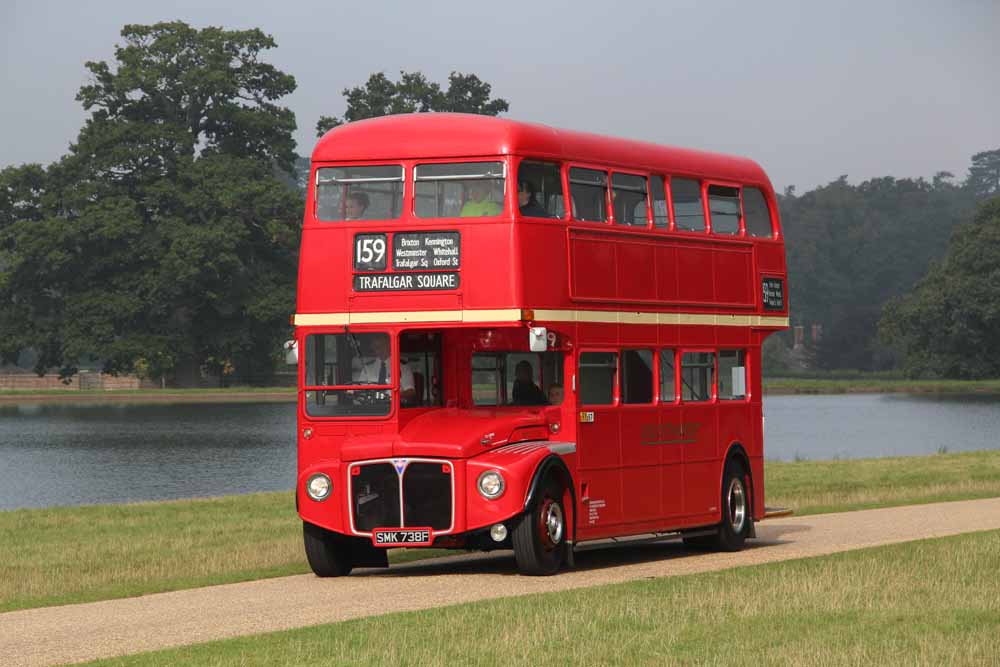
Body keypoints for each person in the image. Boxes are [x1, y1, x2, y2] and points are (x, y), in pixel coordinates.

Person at [353, 336, 416, 404]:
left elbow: (410, 391)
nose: (379, 349)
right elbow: (359, 390)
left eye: (382, 346)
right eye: (376, 347)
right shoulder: (367, 368)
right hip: (371, 407)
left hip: (394, 406)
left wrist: (393, 397)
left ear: (389, 346)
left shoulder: (403, 367)